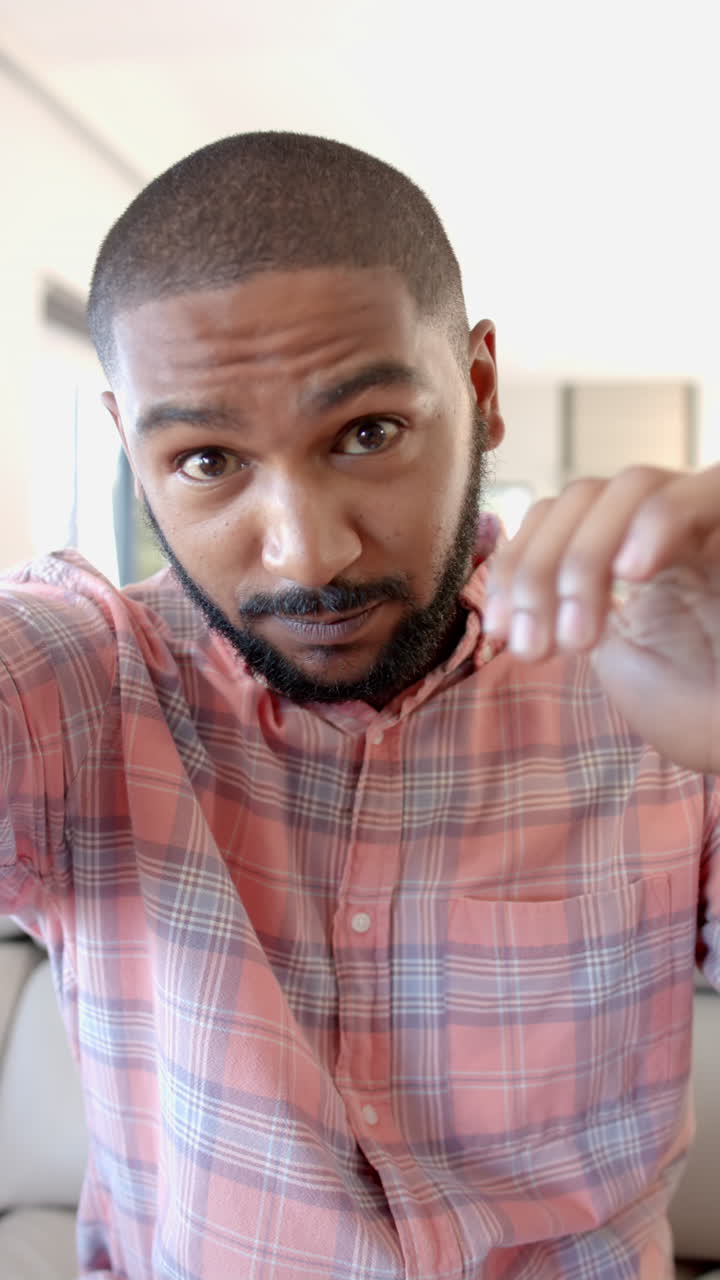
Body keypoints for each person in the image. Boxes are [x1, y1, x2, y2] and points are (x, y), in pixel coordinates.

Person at [0, 131, 718, 1280]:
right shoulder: (89, 678)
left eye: (368, 433)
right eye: (207, 460)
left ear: (479, 391)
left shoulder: (657, 671)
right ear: (131, 449)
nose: (309, 553)